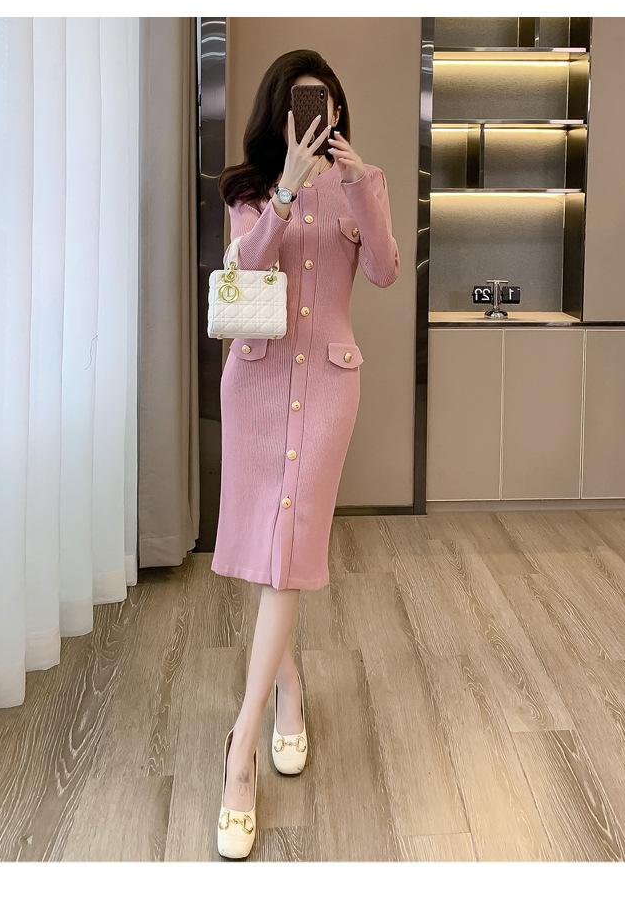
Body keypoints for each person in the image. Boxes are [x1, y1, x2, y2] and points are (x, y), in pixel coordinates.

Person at [212, 49, 400, 859]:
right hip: (254, 387)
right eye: (300, 102)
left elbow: (385, 272)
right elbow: (246, 270)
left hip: (327, 390)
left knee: (287, 557)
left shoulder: (360, 186)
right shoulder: (249, 190)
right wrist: (284, 194)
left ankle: (239, 749)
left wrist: (362, 185)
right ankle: (288, 688)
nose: (314, 114)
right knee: (267, 556)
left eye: (324, 102)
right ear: (278, 111)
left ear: (336, 110)